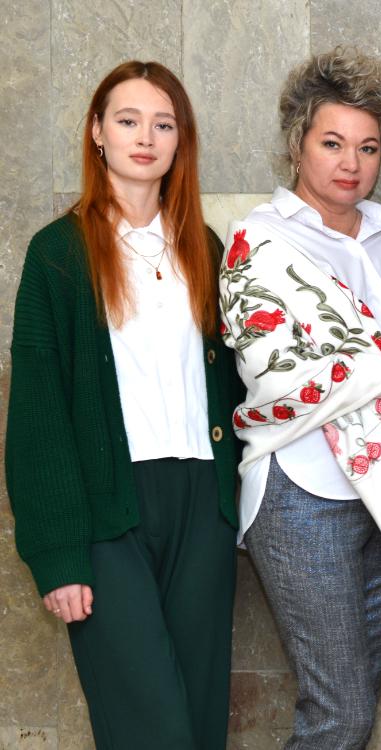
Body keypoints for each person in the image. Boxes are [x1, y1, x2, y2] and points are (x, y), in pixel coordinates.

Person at [220, 49, 381, 748]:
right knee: (341, 713)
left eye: (368, 147)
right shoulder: (259, 241)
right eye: (332, 143)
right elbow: (278, 380)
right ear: (296, 142)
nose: (351, 163)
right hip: (300, 492)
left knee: (351, 702)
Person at [5, 60, 240, 748]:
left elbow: (237, 383)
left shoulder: (205, 249)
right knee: (149, 729)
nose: (146, 137)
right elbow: (38, 413)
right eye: (128, 120)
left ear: (181, 140)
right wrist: (58, 554)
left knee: (199, 722)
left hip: (202, 505)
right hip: (107, 512)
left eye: (164, 124)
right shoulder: (58, 253)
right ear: (97, 132)